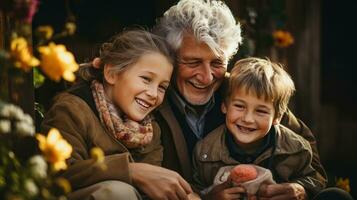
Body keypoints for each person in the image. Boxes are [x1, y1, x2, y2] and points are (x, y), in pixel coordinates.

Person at [154, 0, 353, 199]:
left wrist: (300, 189)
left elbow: (311, 163)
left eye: (217, 62)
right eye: (193, 62)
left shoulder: (245, 91)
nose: (207, 77)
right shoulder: (152, 100)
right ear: (171, 58)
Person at [41, 29, 193, 200]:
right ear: (111, 73)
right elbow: (59, 175)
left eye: (162, 87)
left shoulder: (150, 131)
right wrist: (130, 171)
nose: (153, 93)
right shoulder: (71, 110)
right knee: (117, 192)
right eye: (146, 79)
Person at [192, 57, 324, 199]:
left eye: (260, 111)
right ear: (224, 106)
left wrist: (301, 189)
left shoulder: (297, 149)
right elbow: (196, 189)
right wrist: (210, 197)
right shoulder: (205, 152)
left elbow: (315, 181)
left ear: (277, 117)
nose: (248, 119)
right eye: (239, 106)